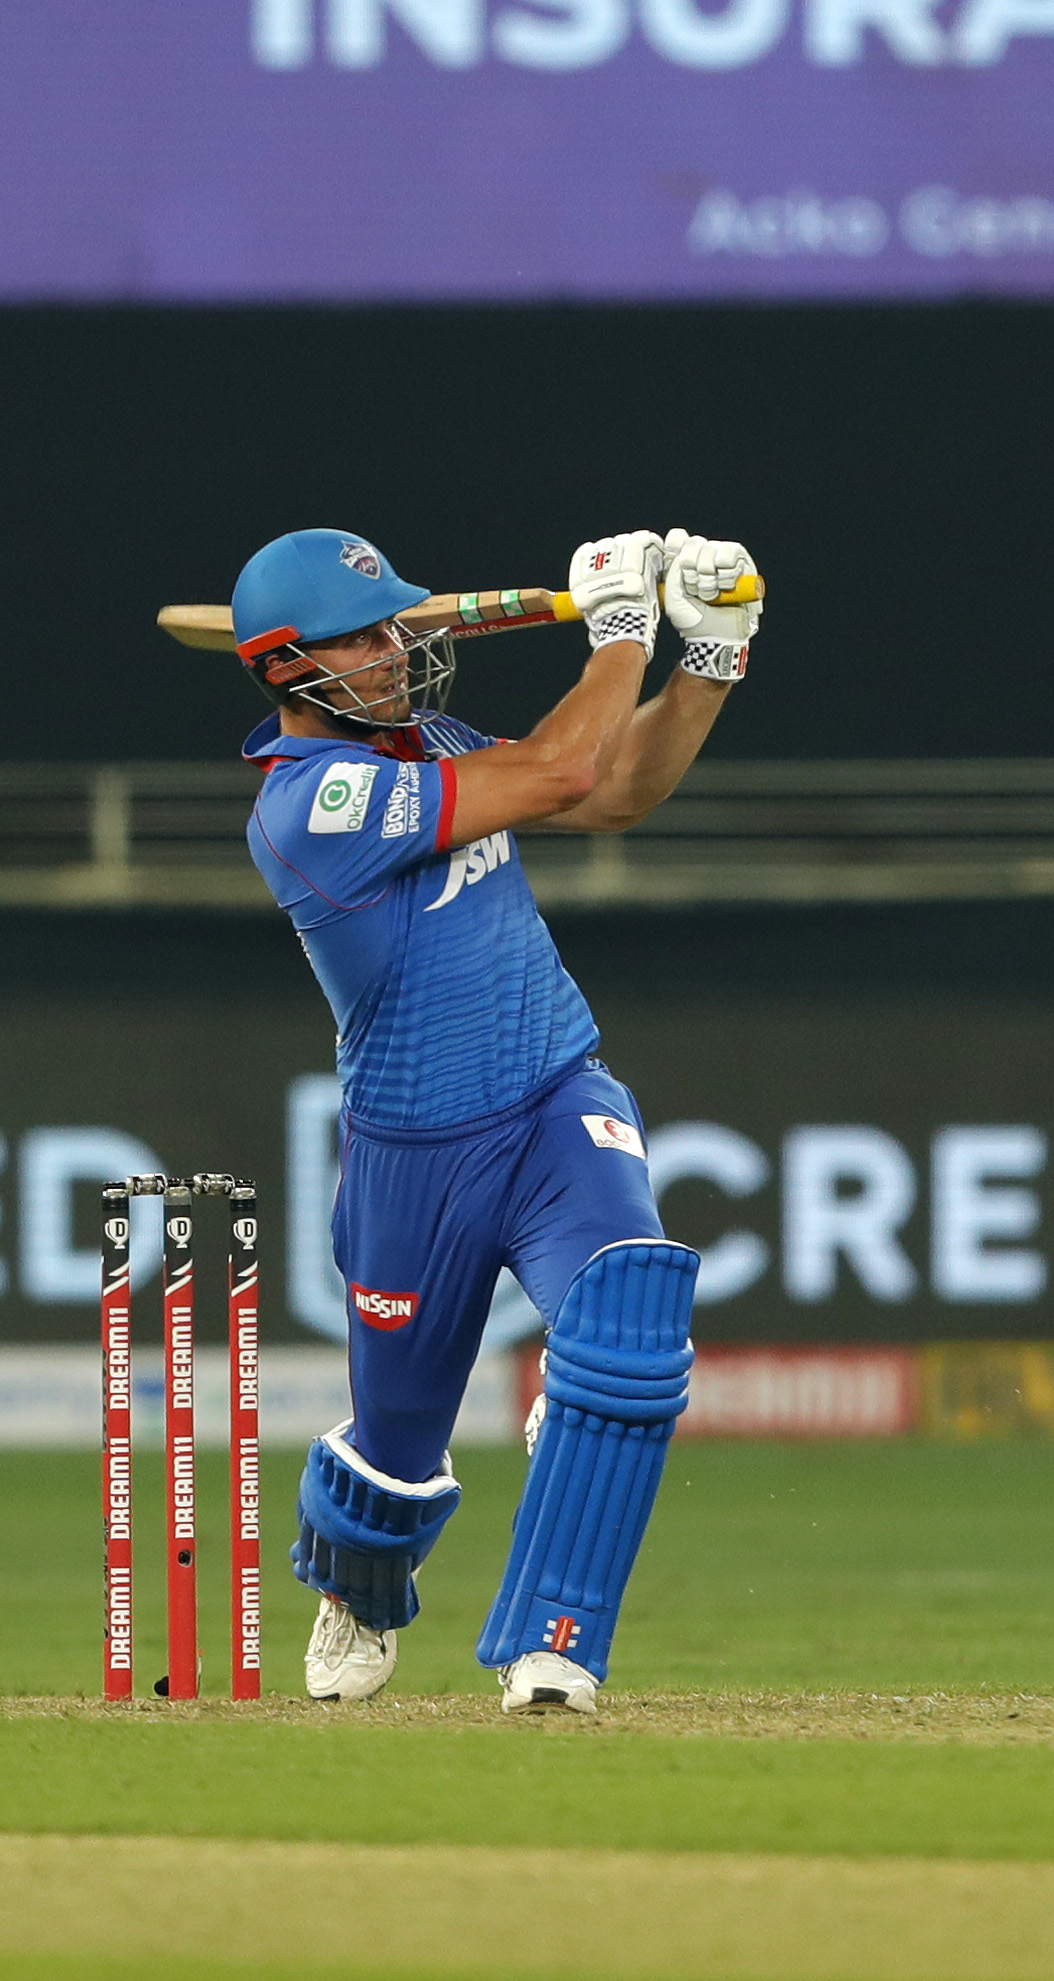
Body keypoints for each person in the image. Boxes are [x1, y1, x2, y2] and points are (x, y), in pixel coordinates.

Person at [228, 525, 756, 1713]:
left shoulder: (437, 745)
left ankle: (553, 1642)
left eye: (392, 625)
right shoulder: (309, 805)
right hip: (413, 1159)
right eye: (361, 638)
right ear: (286, 668)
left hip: (556, 1100)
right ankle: (357, 1587)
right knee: (394, 1457)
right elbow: (561, 769)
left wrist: (707, 661)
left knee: (623, 1332)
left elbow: (611, 790)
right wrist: (619, 632)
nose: (393, 649)